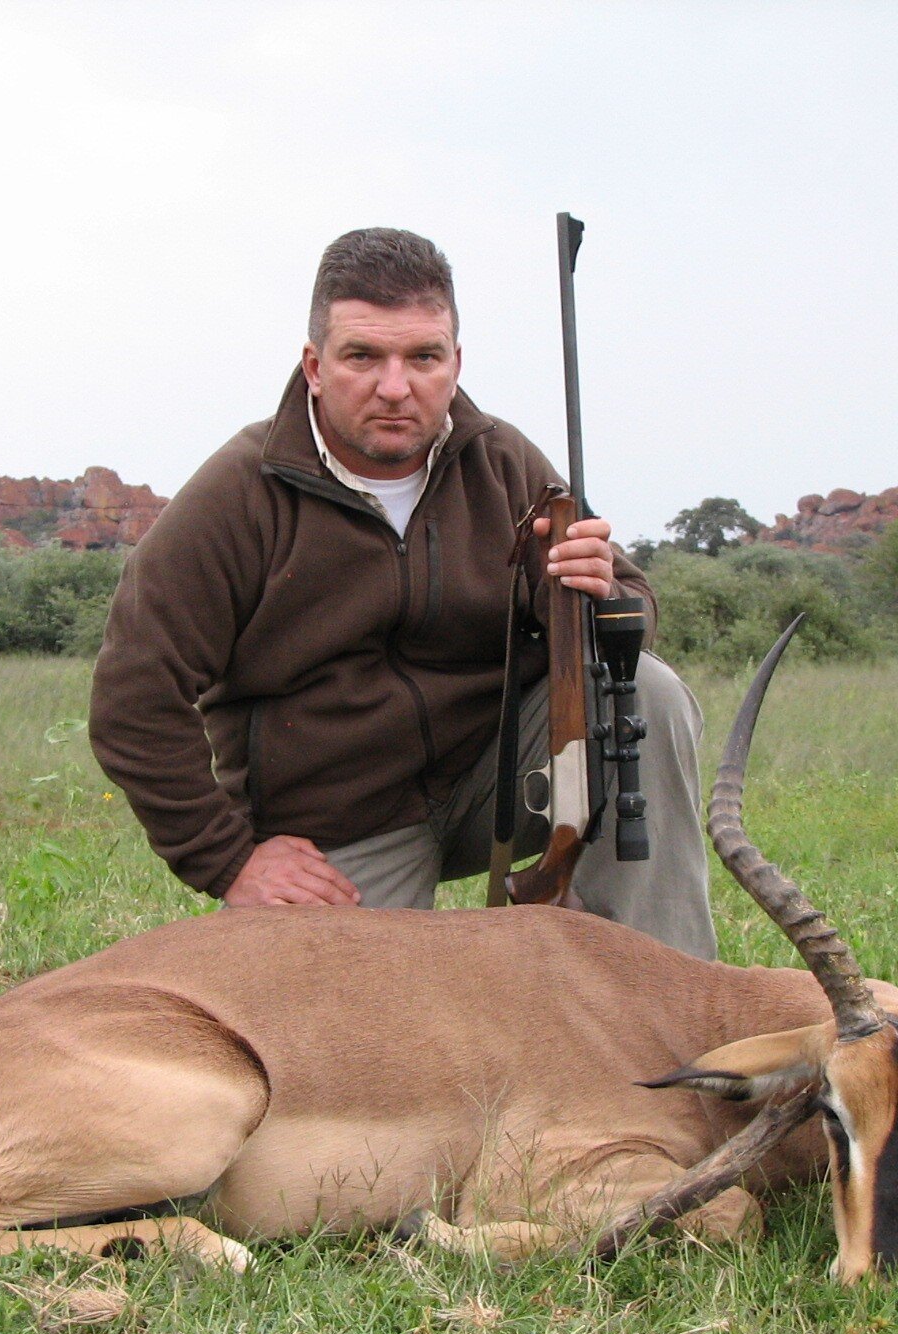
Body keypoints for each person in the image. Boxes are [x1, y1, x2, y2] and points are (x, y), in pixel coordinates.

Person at [90, 227, 717, 958]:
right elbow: (132, 697)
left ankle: (669, 994)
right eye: (363, 356)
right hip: (342, 819)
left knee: (643, 689)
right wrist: (229, 859)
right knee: (338, 1043)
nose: (396, 387)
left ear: (456, 362)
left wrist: (589, 591)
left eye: (423, 357)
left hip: (496, 777)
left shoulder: (504, 460)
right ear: (315, 365)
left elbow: (627, 608)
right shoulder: (237, 493)